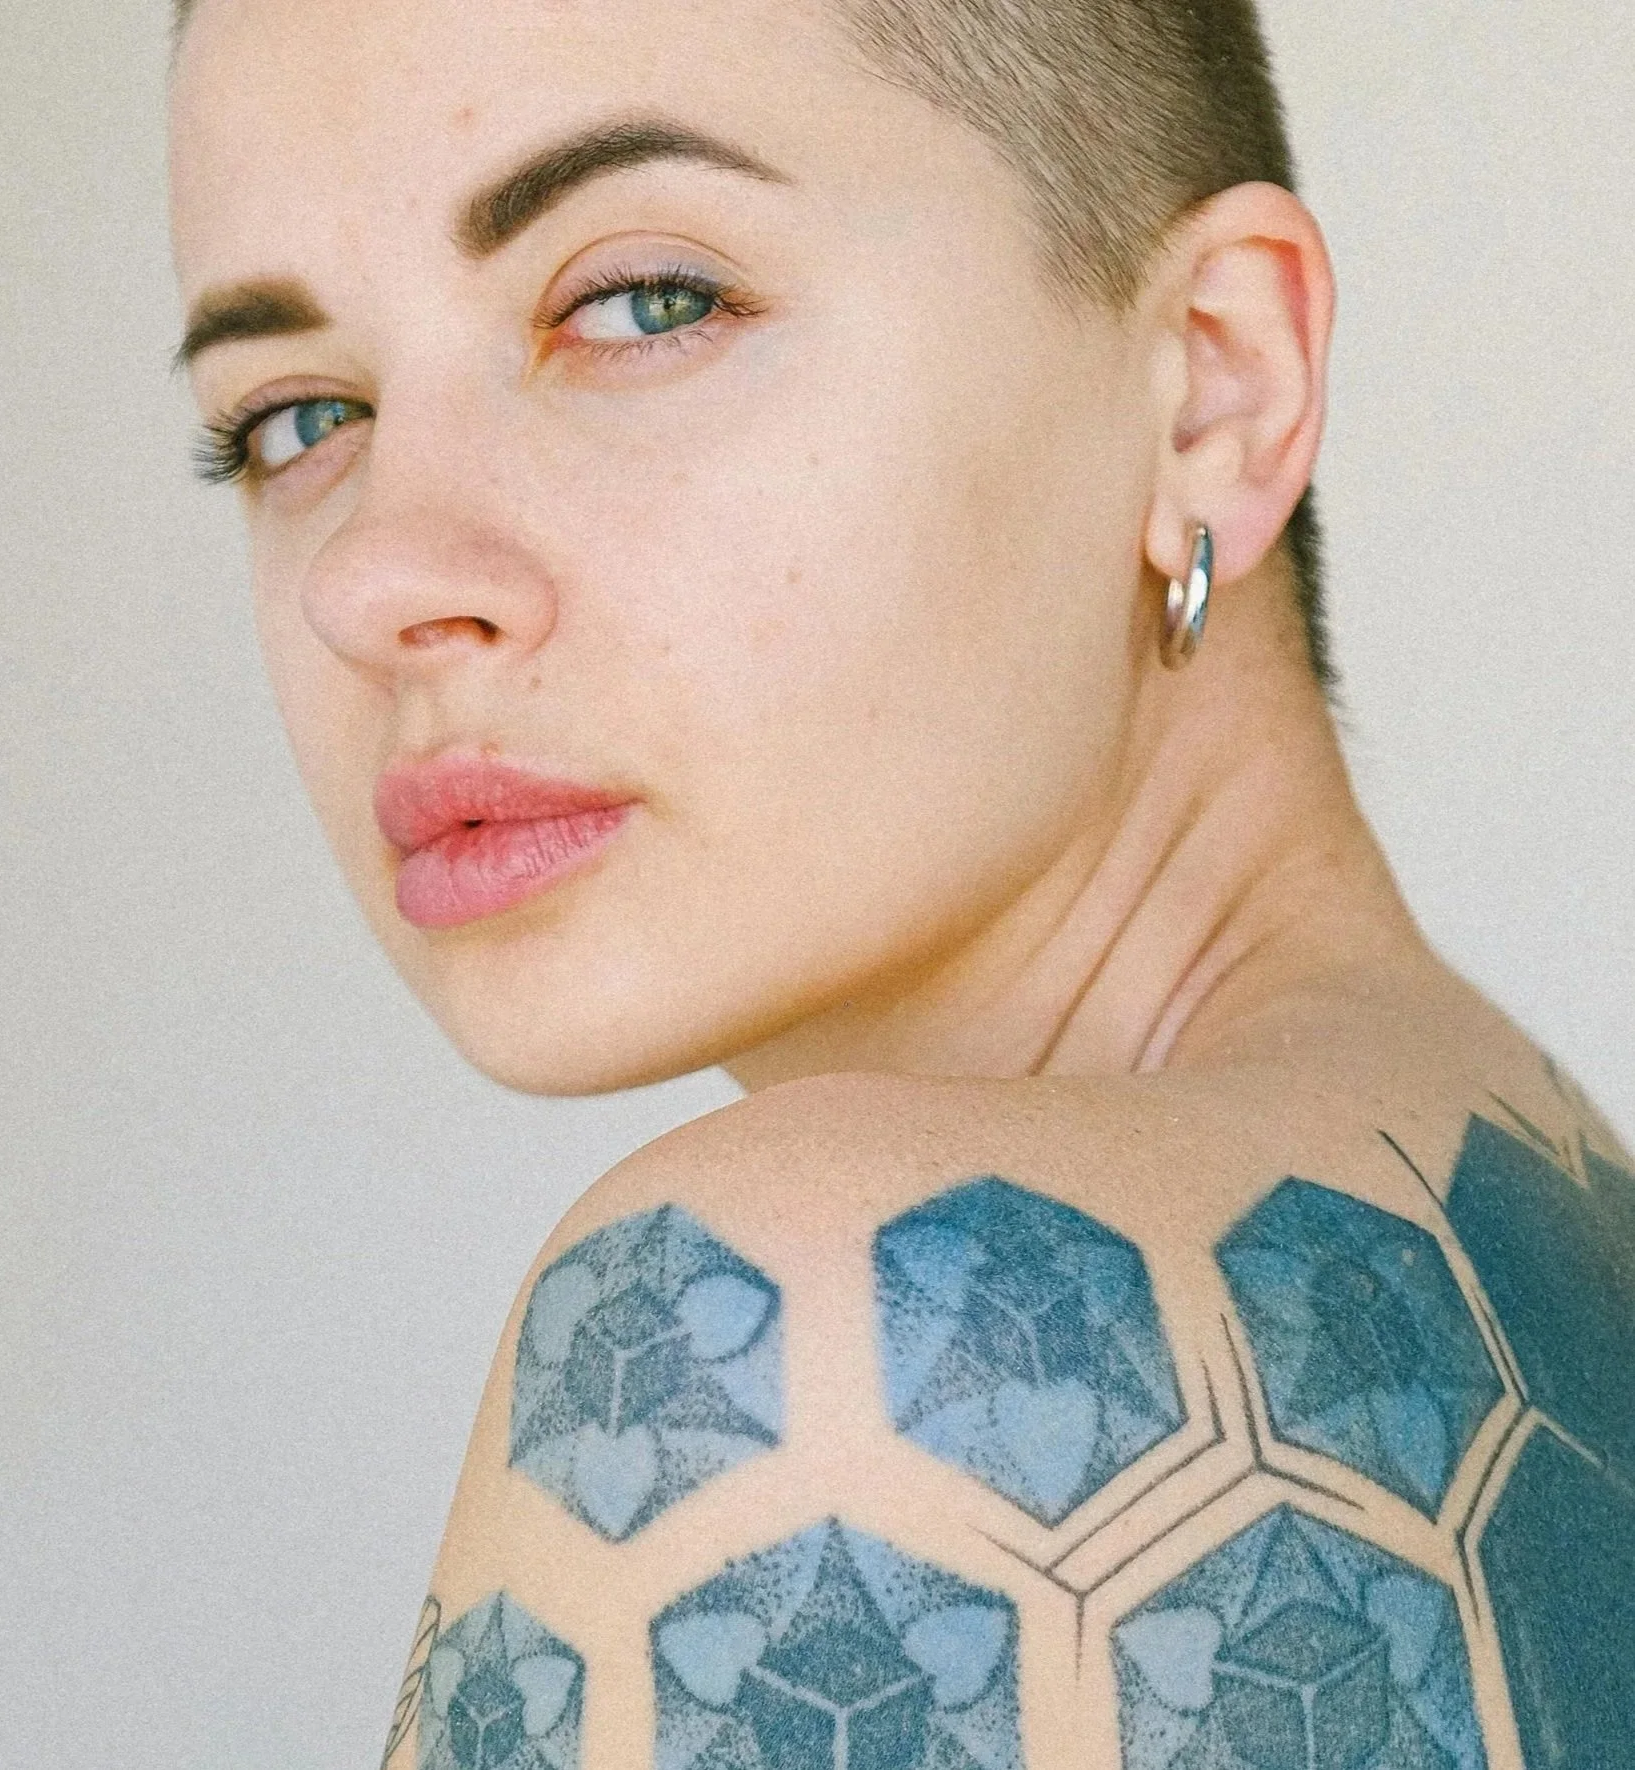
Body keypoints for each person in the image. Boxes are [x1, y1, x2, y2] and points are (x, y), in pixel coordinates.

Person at [166, 0, 1634, 1762]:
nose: (374, 575)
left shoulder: (853, 1353)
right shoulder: (1538, 1228)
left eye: (644, 302)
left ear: (1213, 387)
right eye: (288, 414)